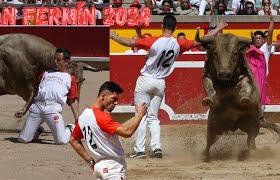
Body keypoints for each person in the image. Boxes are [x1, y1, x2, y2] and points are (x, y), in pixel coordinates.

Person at [109, 15, 227, 159]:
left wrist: (113, 36)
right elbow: (201, 40)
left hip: (146, 80)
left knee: (140, 116)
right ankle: (157, 148)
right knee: (153, 117)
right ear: (176, 28)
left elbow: (129, 42)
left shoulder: (154, 40)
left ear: (161, 26)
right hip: (160, 82)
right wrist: (218, 28)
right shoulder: (179, 43)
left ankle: (139, 150)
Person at [70, 81, 147, 180]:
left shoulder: (83, 116)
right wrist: (140, 114)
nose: (115, 103)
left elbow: (74, 140)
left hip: (99, 166)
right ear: (103, 96)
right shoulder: (102, 117)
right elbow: (127, 132)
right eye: (113, 99)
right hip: (112, 168)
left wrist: (90, 161)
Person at [15, 48, 79, 144]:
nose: (55, 62)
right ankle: (38, 130)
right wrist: (24, 109)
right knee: (23, 139)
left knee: (61, 141)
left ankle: (70, 128)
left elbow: (72, 100)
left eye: (58, 60)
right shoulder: (45, 73)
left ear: (66, 62)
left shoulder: (70, 78)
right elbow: (35, 92)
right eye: (54, 59)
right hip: (38, 107)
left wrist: (77, 119)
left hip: (53, 110)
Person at [248, 11, 274, 122]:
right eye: (256, 38)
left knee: (260, 102)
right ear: (254, 40)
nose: (258, 39)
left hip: (261, 78)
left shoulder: (266, 48)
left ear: (263, 40)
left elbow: (271, 34)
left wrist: (272, 21)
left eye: (260, 38)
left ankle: (260, 118)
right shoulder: (249, 49)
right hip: (249, 79)